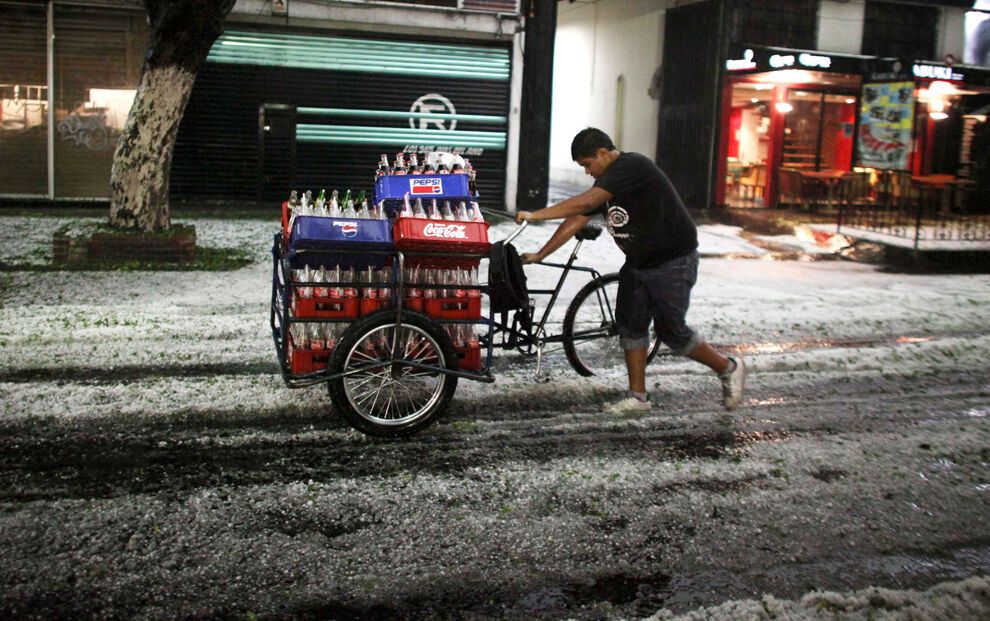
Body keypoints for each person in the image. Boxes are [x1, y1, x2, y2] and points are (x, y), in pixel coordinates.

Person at [515, 128, 746, 414]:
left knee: (673, 333)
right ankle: (638, 398)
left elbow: (586, 202)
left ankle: (728, 368)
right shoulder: (607, 180)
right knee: (631, 326)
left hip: (671, 261)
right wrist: (540, 254)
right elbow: (577, 217)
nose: (588, 172)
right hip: (638, 262)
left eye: (588, 164)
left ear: (602, 153)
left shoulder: (632, 166)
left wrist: (537, 214)